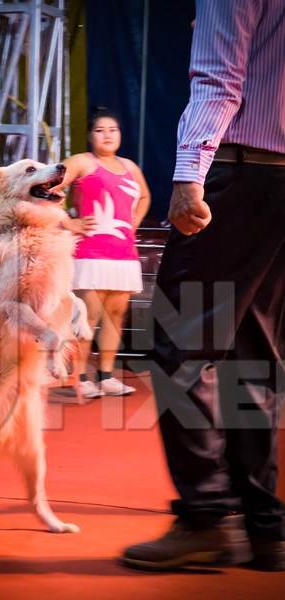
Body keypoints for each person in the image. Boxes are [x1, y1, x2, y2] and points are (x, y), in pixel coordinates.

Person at [122, 0, 285, 571]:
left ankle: (206, 515)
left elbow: (219, 74)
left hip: (240, 174)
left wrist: (189, 174)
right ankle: (266, 527)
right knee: (254, 356)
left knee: (179, 346)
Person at [58, 108, 151, 398]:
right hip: (90, 252)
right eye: (100, 130)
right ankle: (82, 376)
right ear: (90, 135)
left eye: (113, 129)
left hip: (123, 254)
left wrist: (133, 221)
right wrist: (68, 222)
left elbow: (145, 196)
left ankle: (107, 376)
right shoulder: (81, 162)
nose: (107, 134)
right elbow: (45, 188)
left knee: (115, 314)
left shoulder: (130, 166)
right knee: (89, 316)